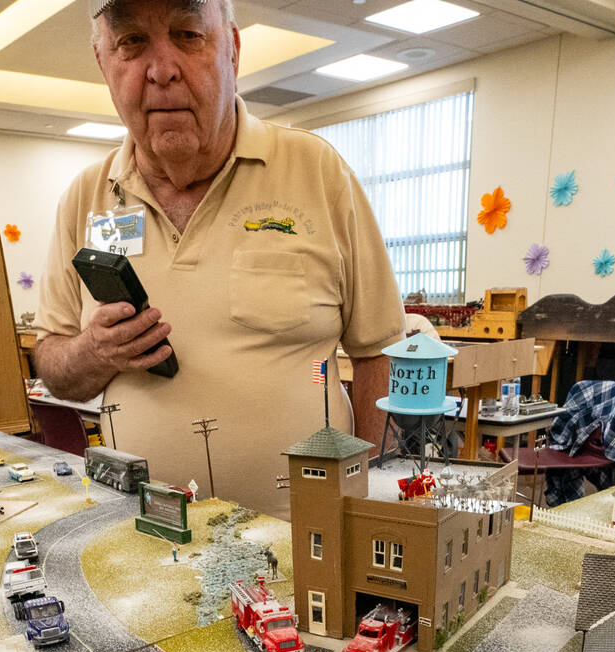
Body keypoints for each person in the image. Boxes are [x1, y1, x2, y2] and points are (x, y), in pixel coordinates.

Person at [35, 0, 405, 516]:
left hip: (305, 544)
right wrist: (93, 353)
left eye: (187, 34)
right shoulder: (84, 198)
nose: (161, 69)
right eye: (132, 42)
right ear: (103, 62)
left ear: (231, 48)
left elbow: (377, 353)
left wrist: (367, 505)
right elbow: (52, 361)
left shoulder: (317, 172)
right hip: (134, 542)